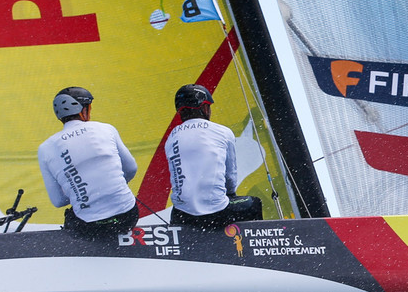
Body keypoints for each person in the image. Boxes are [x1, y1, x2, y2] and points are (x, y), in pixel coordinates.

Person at [37, 86, 141, 237]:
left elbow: (58, 201)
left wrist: (82, 194)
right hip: (127, 217)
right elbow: (131, 170)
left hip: (89, 227)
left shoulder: (45, 148)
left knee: (75, 217)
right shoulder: (106, 129)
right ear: (83, 110)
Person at [166, 83, 262, 228]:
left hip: (183, 216)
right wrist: (230, 195)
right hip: (218, 214)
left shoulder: (171, 138)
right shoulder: (223, 132)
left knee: (178, 209)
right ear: (204, 107)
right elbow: (230, 177)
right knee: (254, 203)